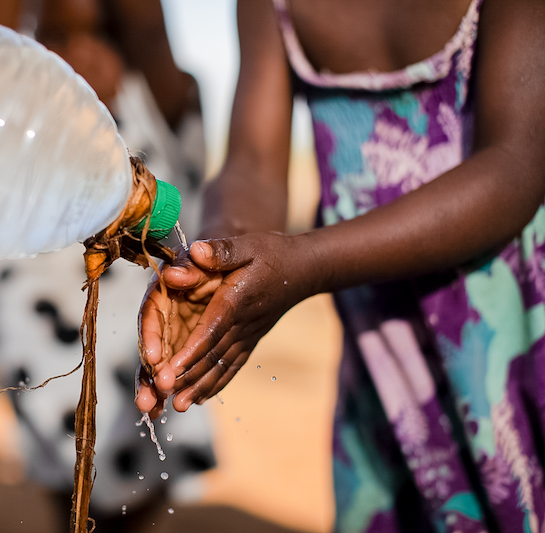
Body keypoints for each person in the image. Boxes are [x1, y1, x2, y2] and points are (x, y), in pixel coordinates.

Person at [135, 0, 545, 530]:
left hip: (517, 338)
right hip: (388, 358)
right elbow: (254, 166)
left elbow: (515, 164)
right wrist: (215, 265)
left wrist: (310, 261)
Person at [0, 0, 214, 529]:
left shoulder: (153, 101)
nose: (79, 55)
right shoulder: (23, 107)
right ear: (31, 41)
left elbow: (149, 26)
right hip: (40, 333)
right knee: (65, 466)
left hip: (136, 338)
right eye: (57, 36)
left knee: (141, 460)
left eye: (100, 36)